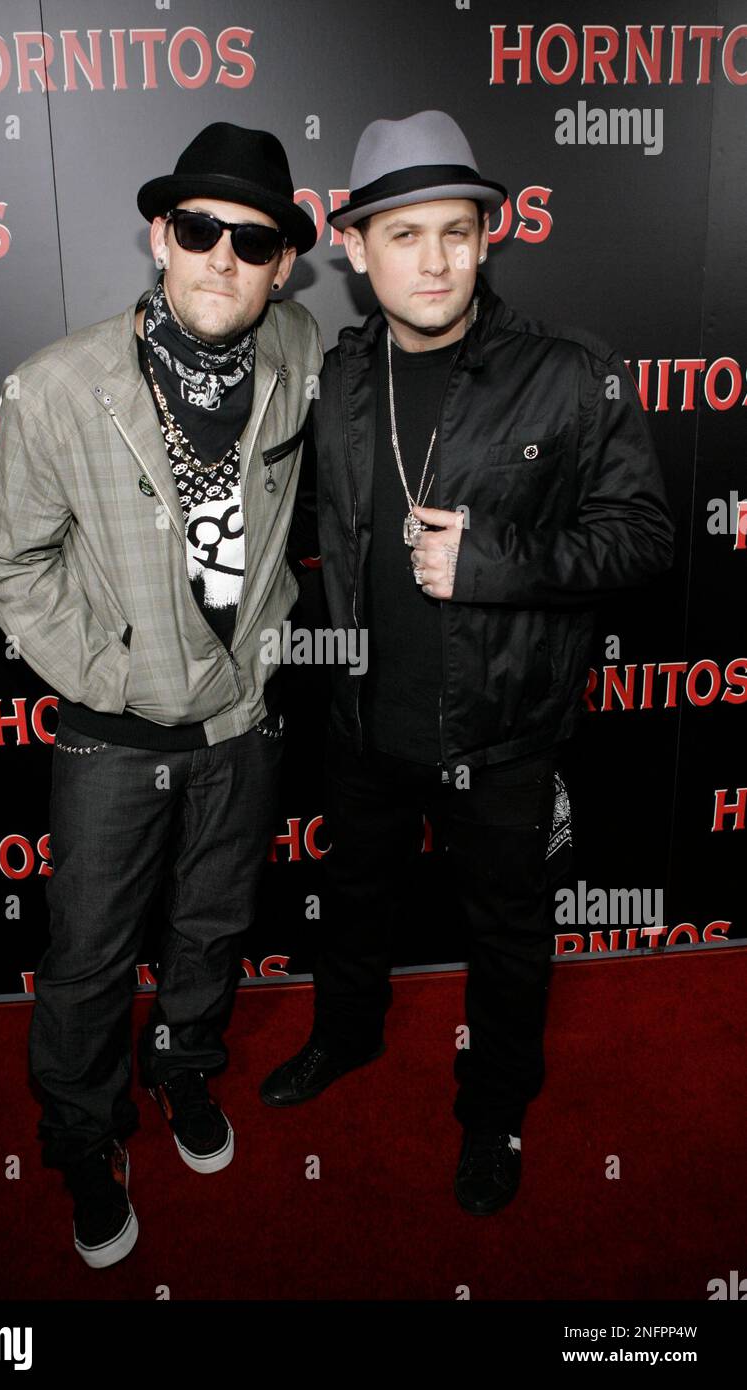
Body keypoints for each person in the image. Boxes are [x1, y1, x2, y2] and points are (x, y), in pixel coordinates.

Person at [261, 110, 674, 1215]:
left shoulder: (566, 373)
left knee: (506, 932)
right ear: (351, 247)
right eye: (403, 235)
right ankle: (342, 1038)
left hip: (503, 729)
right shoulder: (334, 379)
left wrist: (493, 559)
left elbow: (642, 536)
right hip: (360, 721)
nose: (433, 260)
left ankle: (491, 1105)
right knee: (352, 899)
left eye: (455, 230)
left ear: (489, 236)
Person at [0, 121, 323, 1266]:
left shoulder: (301, 353)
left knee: (213, 924)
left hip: (241, 719)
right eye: (199, 229)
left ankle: (183, 1069)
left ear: (282, 267)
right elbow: (1, 558)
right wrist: (106, 669)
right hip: (109, 734)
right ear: (159, 236)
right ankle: (81, 1134)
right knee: (86, 952)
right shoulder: (59, 384)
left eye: (252, 240)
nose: (223, 256)